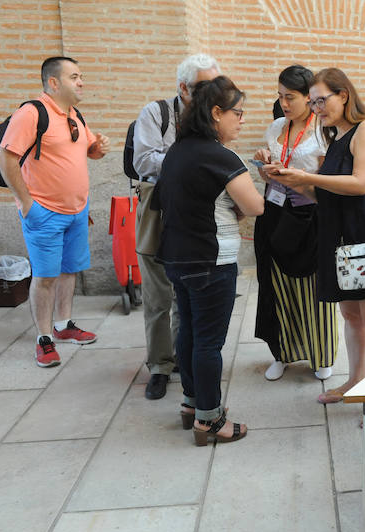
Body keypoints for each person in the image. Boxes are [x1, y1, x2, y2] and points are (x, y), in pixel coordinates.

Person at [266, 68, 365, 405]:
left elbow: (362, 183)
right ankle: (354, 381)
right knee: (350, 314)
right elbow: (326, 195)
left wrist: (308, 176)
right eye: (314, 102)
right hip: (339, 239)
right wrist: (288, 179)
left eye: (322, 100)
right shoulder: (336, 138)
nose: (317, 108)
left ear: (344, 95)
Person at [152, 76, 264, 445]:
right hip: (211, 260)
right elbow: (255, 206)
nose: (241, 120)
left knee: (188, 331)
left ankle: (191, 404)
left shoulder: (177, 151)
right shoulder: (221, 156)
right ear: (216, 113)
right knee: (208, 342)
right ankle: (210, 420)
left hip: (177, 258)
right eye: (238, 113)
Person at [0, 56, 111, 367]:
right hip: (43, 212)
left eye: (81, 76)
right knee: (45, 277)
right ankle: (44, 339)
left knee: (68, 270)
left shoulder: (74, 115)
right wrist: (27, 204)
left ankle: (63, 326)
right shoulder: (31, 113)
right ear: (54, 82)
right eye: (75, 76)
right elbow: (5, 159)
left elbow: (87, 150)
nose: (81, 82)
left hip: (76, 211)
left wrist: (97, 149)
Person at [133, 53, 220, 400]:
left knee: (189, 294)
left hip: (196, 213)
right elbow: (143, 160)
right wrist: (189, 160)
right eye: (205, 87)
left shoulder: (215, 116)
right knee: (157, 295)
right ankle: (159, 365)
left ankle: (183, 358)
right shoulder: (156, 113)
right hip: (159, 210)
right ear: (183, 88)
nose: (214, 93)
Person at [252, 65, 339, 382]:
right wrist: (265, 167)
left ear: (309, 98)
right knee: (277, 286)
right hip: (275, 212)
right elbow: (271, 170)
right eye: (280, 96)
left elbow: (326, 188)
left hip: (309, 217)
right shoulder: (276, 127)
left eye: (291, 97)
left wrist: (292, 180)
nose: (284, 104)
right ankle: (282, 353)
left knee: (315, 289)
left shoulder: (322, 132)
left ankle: (322, 354)